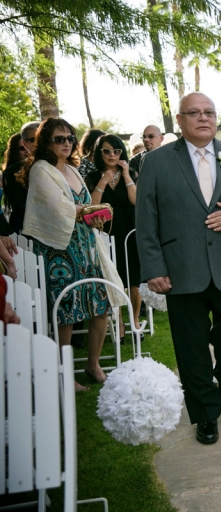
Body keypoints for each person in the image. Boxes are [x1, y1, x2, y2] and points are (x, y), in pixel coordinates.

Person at [136, 92, 221, 445]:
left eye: (209, 112)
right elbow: (146, 218)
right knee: (191, 346)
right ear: (180, 121)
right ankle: (205, 414)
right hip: (181, 269)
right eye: (194, 113)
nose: (203, 118)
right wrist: (153, 267)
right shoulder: (155, 162)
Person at [19, 118, 113, 392]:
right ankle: (63, 373)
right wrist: (87, 211)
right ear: (46, 142)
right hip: (58, 247)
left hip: (86, 244)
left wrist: (96, 213)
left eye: (70, 137)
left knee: (100, 304)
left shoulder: (73, 168)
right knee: (66, 312)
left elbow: (87, 205)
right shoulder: (40, 169)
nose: (66, 143)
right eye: (59, 138)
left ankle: (92, 364)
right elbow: (59, 208)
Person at [85, 134, 142, 338]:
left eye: (116, 151)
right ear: (100, 153)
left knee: (134, 280)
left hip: (129, 231)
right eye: (107, 151)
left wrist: (126, 174)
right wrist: (104, 180)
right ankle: (118, 323)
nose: (112, 155)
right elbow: (92, 206)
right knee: (112, 277)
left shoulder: (132, 172)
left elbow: (136, 201)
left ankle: (134, 320)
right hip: (105, 233)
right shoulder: (92, 176)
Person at [4, 121, 39, 234]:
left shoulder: (62, 166)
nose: (38, 143)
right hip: (27, 229)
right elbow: (20, 207)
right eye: (33, 140)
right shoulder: (12, 172)